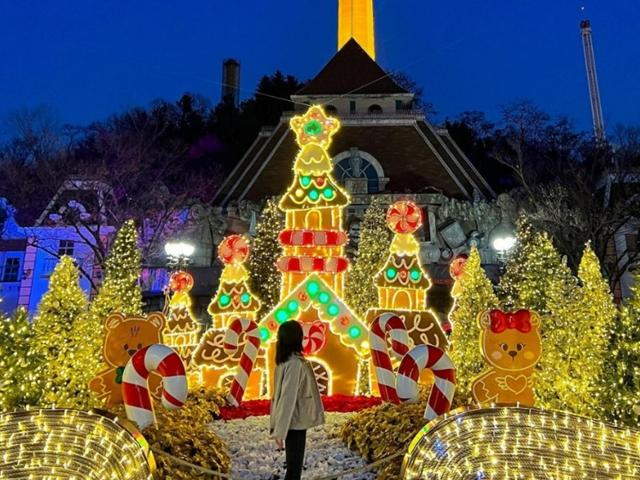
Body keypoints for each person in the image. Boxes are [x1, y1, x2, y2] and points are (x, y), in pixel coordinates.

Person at [270, 321, 325, 480]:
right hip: (294, 421)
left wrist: (278, 427)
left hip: (290, 421)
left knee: (293, 468)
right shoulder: (295, 363)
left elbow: (281, 397)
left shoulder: (285, 362)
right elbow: (287, 397)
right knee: (294, 471)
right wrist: (280, 431)